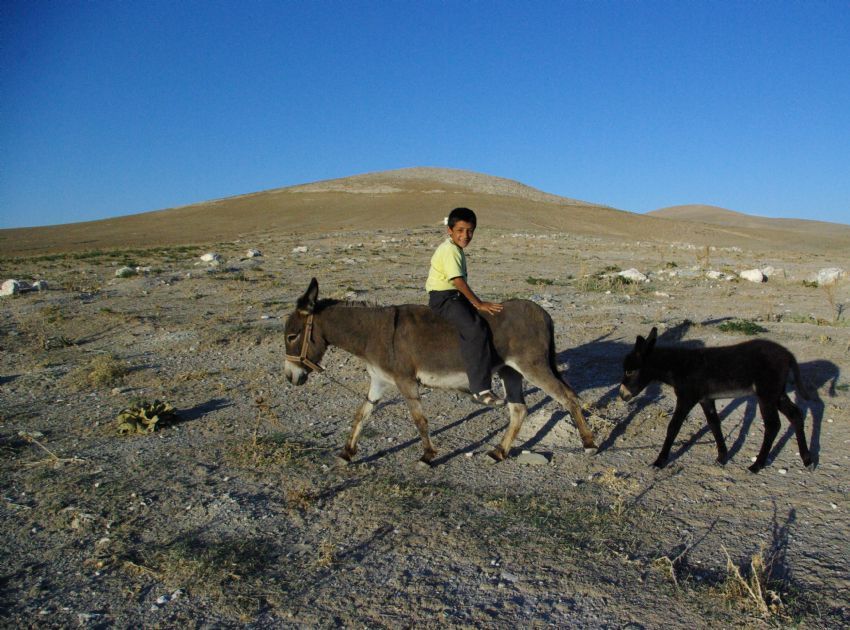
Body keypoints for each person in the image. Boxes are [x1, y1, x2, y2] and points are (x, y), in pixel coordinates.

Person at [426, 207, 505, 406]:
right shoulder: (450, 250)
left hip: (454, 296)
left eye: (470, 231)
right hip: (444, 299)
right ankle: (480, 389)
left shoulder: (454, 248)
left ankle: (486, 363)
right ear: (449, 230)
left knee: (485, 321)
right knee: (475, 329)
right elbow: (458, 281)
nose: (466, 235)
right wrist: (478, 303)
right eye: (460, 230)